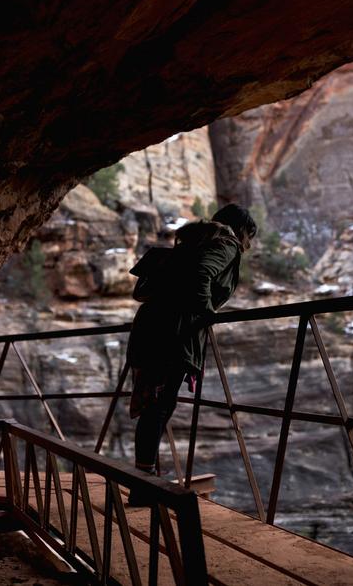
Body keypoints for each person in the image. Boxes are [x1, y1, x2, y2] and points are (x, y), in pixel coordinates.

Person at [126, 203, 256, 503]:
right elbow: (201, 273)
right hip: (172, 336)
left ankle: (142, 482)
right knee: (158, 408)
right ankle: (142, 487)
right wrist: (207, 312)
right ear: (242, 231)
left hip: (152, 329)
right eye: (249, 237)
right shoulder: (226, 244)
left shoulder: (196, 241)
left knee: (154, 407)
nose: (248, 245)